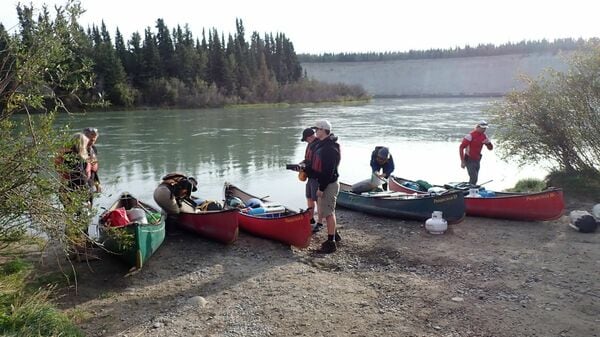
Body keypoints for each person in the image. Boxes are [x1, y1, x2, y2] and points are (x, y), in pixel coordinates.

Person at [309, 120, 341, 254]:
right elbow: (319, 168)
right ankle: (335, 235)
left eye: (317, 129)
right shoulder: (323, 145)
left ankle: (331, 242)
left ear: (323, 130)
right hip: (325, 183)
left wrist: (321, 188)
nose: (315, 131)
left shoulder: (329, 148)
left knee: (328, 213)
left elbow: (328, 171)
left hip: (328, 184)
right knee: (326, 211)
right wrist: (307, 169)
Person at [56, 132, 94, 205]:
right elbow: (82, 177)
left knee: (69, 214)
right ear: (82, 145)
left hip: (66, 189)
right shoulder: (80, 158)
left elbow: (60, 171)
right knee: (82, 215)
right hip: (79, 191)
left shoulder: (63, 155)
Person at [300, 127, 324, 233]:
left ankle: (320, 222)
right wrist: (301, 164)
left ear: (310, 137)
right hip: (310, 177)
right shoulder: (310, 145)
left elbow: (316, 163)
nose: (306, 141)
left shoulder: (319, 145)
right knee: (309, 197)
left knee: (318, 200)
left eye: (306, 139)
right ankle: (311, 218)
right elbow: (308, 159)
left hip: (316, 177)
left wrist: (305, 166)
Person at [459, 120, 493, 185]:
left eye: (485, 128)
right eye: (482, 128)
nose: (484, 129)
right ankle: (470, 192)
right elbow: (461, 148)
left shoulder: (484, 136)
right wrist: (462, 161)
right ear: (477, 127)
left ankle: (471, 190)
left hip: (477, 159)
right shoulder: (470, 136)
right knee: (474, 178)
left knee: (475, 178)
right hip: (469, 159)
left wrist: (488, 143)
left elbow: (490, 148)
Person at [83, 127, 101, 193]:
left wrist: (97, 184)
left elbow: (94, 170)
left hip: (89, 184)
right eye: (90, 139)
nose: (92, 141)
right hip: (78, 185)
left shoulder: (93, 149)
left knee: (90, 202)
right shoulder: (77, 151)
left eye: (94, 139)